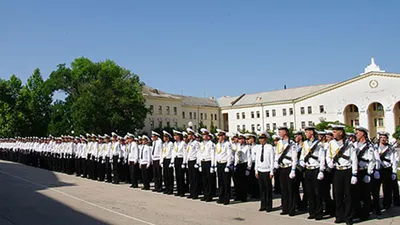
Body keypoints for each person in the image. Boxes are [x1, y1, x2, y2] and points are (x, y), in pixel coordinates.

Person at [326, 124, 357, 225]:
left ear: (341, 132)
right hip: (337, 171)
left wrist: (354, 174)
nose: (333, 133)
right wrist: (330, 163)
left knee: (348, 195)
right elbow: (328, 155)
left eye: (335, 131)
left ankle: (349, 217)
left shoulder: (349, 144)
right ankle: (339, 216)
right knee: (337, 194)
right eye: (333, 131)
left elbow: (354, 159)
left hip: (347, 170)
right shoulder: (331, 143)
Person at [299, 126, 325, 220]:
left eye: (307, 132)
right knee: (309, 192)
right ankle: (312, 212)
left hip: (316, 169)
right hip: (308, 169)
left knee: (317, 192)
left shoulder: (319, 144)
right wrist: (302, 162)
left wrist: (321, 170)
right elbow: (303, 155)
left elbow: (322, 158)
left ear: (312, 132)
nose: (305, 134)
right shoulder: (305, 143)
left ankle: (319, 213)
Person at [352, 126, 375, 221]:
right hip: (356, 171)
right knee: (355, 194)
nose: (355, 134)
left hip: (364, 171)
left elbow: (372, 161)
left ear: (363, 134)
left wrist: (368, 173)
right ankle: (357, 212)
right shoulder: (354, 145)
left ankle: (365, 214)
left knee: (365, 194)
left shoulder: (369, 146)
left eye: (357, 132)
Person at [372, 131, 397, 214]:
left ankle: (387, 204)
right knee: (375, 189)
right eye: (382, 137)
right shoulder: (374, 147)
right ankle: (376, 205)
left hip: (387, 169)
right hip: (378, 169)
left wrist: (394, 172)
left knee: (387, 188)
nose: (383, 139)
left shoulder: (390, 148)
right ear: (379, 138)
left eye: (385, 137)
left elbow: (394, 160)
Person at [275, 126, 298, 216]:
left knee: (290, 189)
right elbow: (277, 154)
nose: (279, 133)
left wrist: (293, 169)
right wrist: (276, 163)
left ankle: (292, 209)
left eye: (280, 131)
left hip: (289, 167)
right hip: (282, 167)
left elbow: (294, 157)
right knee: (283, 189)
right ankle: (285, 208)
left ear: (285, 132)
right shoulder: (279, 143)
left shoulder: (292, 143)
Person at [255, 131, 274, 212]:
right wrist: (256, 170)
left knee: (268, 189)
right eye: (260, 138)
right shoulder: (258, 147)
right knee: (262, 189)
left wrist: (271, 171)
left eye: (262, 138)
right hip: (260, 170)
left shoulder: (270, 147)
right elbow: (256, 159)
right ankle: (263, 205)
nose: (261, 140)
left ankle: (269, 205)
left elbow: (272, 160)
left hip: (267, 170)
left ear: (266, 139)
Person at [214, 129, 233, 205]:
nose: (219, 137)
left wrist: (228, 165)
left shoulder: (227, 144)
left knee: (226, 183)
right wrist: (215, 165)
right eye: (218, 136)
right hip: (219, 163)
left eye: (220, 136)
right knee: (220, 182)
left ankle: (226, 198)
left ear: (224, 136)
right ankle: (221, 197)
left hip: (225, 164)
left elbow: (229, 156)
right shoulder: (217, 144)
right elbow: (216, 155)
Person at [234, 132, 252, 202]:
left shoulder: (247, 147)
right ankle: (238, 196)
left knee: (243, 182)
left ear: (244, 140)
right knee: (238, 182)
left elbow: (249, 157)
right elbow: (236, 155)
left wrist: (248, 168)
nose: (239, 140)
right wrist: (235, 164)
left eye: (241, 139)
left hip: (244, 164)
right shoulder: (238, 146)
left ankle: (244, 197)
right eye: (239, 139)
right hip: (238, 164)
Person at [172, 130, 187, 197]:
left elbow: (185, 153)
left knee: (181, 176)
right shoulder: (175, 143)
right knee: (177, 176)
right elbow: (174, 152)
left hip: (181, 159)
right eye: (174, 135)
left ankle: (182, 191)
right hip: (176, 159)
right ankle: (178, 190)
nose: (174, 137)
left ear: (179, 136)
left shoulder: (183, 143)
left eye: (176, 135)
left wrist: (184, 162)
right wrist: (172, 161)